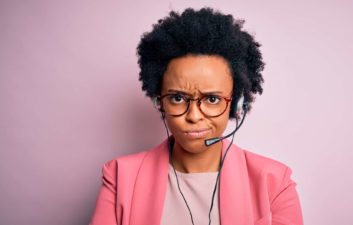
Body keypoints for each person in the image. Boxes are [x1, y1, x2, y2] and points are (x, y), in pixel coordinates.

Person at [90, 7, 303, 225]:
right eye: (177, 98)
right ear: (159, 100)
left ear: (238, 104)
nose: (193, 116)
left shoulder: (275, 183)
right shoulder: (119, 177)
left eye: (212, 99)